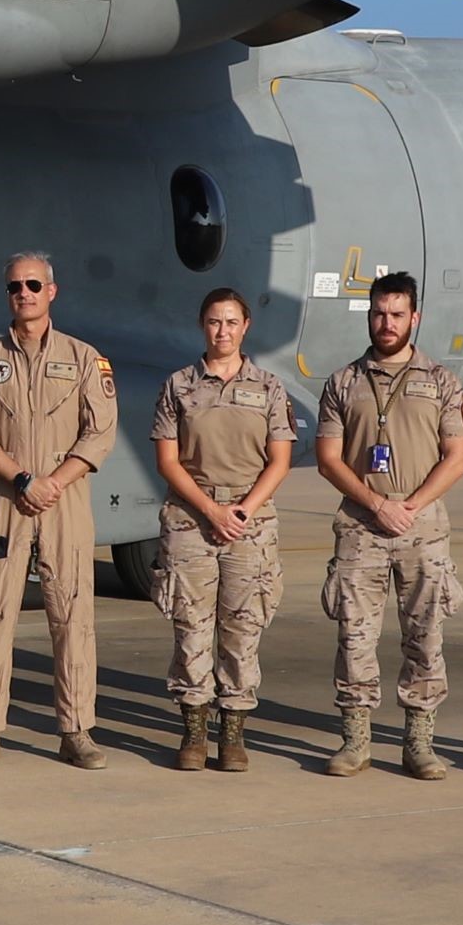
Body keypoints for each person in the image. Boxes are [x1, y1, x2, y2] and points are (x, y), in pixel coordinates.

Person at [0, 252, 116, 769]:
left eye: (33, 285)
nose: (24, 293)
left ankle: (77, 730)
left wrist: (53, 483)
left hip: (64, 502)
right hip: (5, 499)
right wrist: (22, 478)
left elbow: (100, 430)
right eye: (15, 286)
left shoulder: (86, 358)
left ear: (52, 291)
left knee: (72, 616)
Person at [312, 273, 463, 781]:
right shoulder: (342, 382)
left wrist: (411, 505)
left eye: (397, 314)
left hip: (422, 528)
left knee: (425, 636)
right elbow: (328, 459)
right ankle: (355, 739)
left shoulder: (441, 381)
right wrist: (377, 505)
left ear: (414, 318)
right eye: (379, 313)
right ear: (369, 316)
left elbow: (458, 457)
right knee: (355, 637)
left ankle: (419, 743)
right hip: (361, 526)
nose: (387, 323)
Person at [150, 287, 296, 772]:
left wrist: (243, 510)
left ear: (245, 326)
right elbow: (168, 461)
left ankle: (232, 733)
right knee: (191, 629)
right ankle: (194, 731)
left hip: (249, 524)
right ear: (202, 326)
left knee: (242, 629)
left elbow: (279, 460)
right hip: (192, 519)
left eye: (231, 322)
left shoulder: (270, 388)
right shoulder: (179, 385)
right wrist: (211, 510)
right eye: (214, 322)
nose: (223, 331)